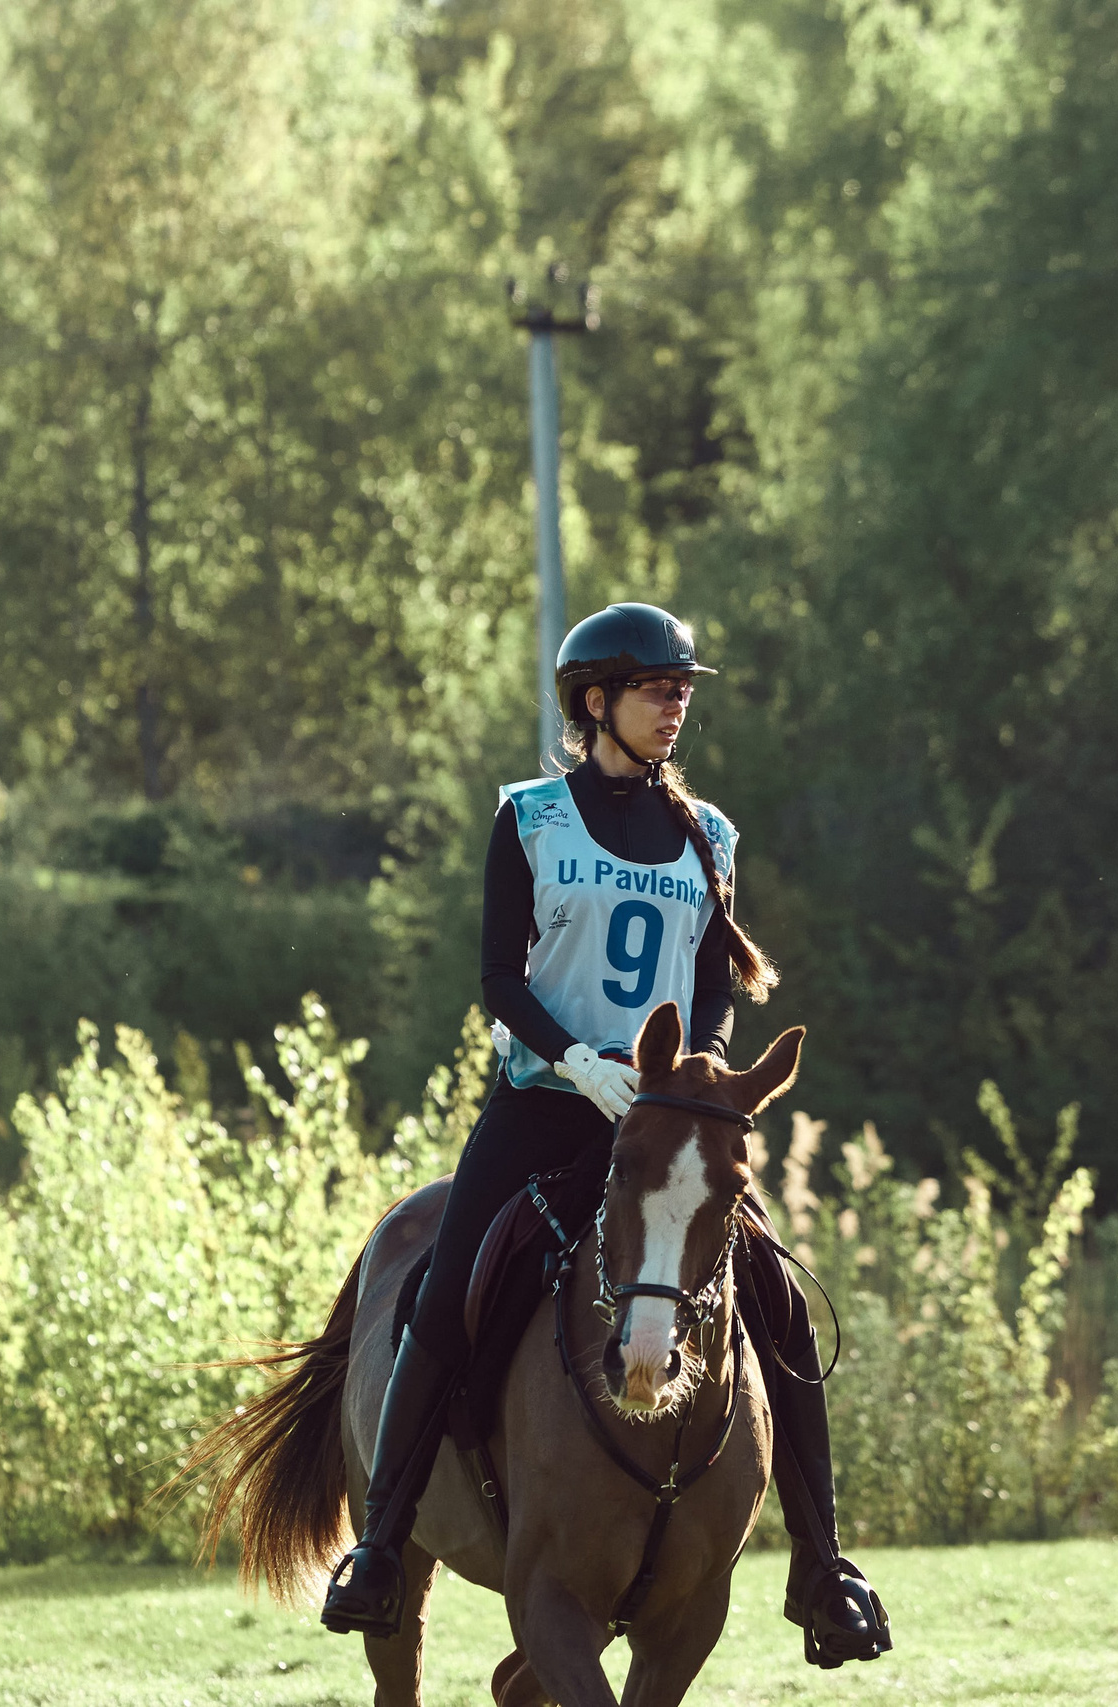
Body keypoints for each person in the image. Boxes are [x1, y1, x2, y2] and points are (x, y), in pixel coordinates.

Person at [320, 602, 891, 1668]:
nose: (677, 705)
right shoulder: (531, 818)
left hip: (664, 1121)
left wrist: (690, 1080)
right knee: (445, 1291)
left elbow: (712, 989)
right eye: (657, 688)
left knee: (778, 1303)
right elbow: (497, 975)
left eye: (683, 690)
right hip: (543, 1106)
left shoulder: (707, 835)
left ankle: (824, 1566)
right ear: (595, 701)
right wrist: (575, 1058)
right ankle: (385, 1545)